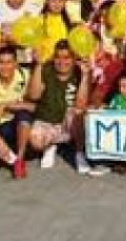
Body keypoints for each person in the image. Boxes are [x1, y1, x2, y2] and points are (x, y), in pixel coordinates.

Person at [26, 41, 106, 176]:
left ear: (74, 59)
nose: (62, 62)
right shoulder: (46, 69)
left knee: (78, 111)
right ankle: (51, 146)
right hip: (48, 120)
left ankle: (79, 154)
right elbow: (34, 95)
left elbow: (81, 104)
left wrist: (85, 76)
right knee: (35, 142)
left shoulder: (80, 71)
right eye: (58, 57)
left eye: (66, 57)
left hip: (71, 123)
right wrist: (38, 65)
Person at [0, 47, 34, 179]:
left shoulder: (26, 76)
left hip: (20, 125)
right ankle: (9, 152)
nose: (5, 67)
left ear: (15, 63)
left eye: (9, 62)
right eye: (1, 62)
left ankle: (19, 160)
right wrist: (0, 142)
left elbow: (37, 107)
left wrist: (7, 105)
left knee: (23, 114)